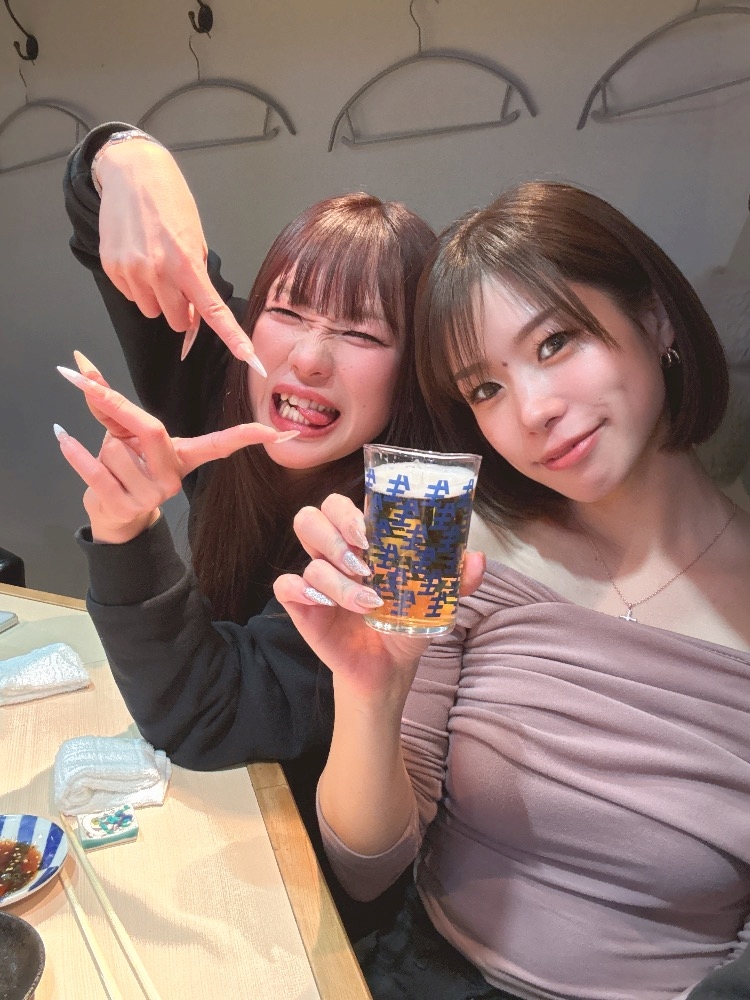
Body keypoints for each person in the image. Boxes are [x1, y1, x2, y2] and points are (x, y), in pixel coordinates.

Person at [273, 181, 750, 999]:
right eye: (485, 389)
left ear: (655, 320)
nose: (532, 410)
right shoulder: (467, 553)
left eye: (556, 342)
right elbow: (367, 870)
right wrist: (370, 696)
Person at [59, 122, 437, 937]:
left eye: (362, 334)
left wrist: (127, 536)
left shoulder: (403, 524)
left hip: (306, 883)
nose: (309, 358)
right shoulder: (225, 373)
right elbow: (109, 220)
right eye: (286, 311)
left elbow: (214, 715)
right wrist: (125, 155)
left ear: (414, 372)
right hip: (201, 814)